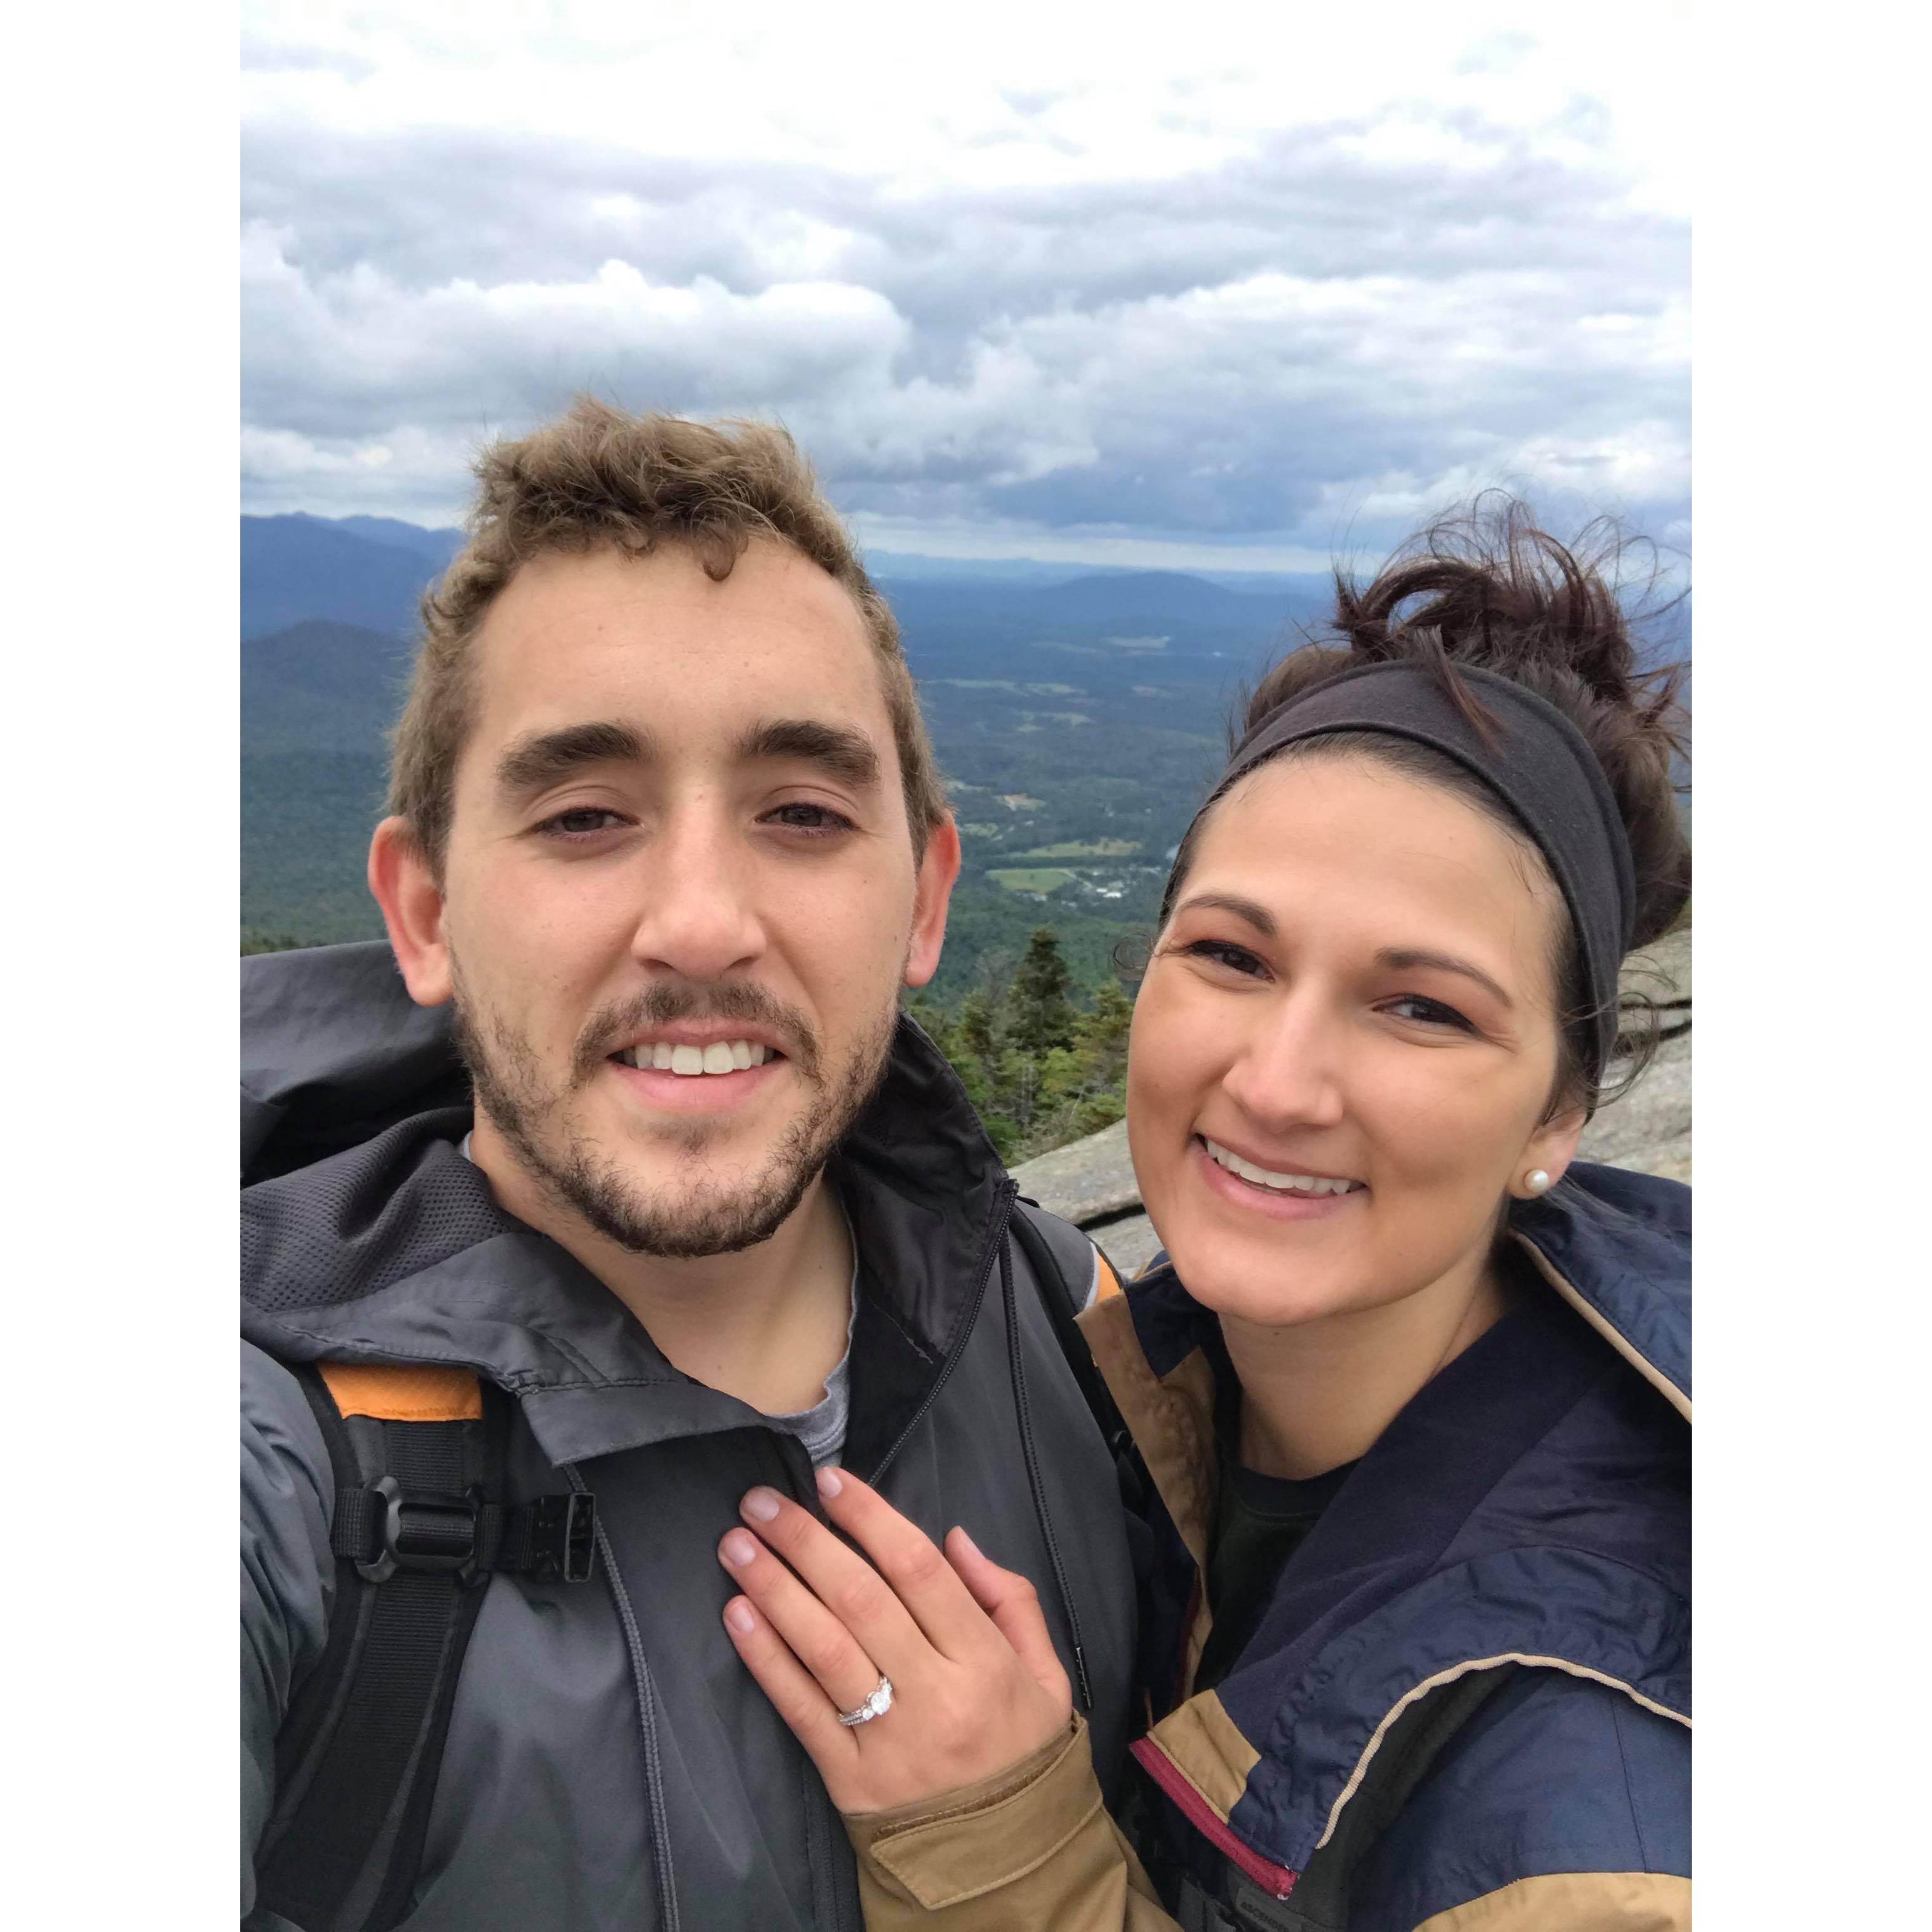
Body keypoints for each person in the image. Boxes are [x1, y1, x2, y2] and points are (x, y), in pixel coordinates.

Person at [717, 502, 1692, 1931]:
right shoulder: (1148, 1373)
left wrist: (1012, 1860)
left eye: (1420, 1007)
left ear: (1556, 1114)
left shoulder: (1589, 1818)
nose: (1278, 1080)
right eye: (1231, 955)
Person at [239, 399, 1140, 1931]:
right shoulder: (280, 1462)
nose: (703, 920)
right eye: (585, 816)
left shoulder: (1072, 1324)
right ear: (424, 912)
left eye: (800, 811)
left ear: (922, 900)